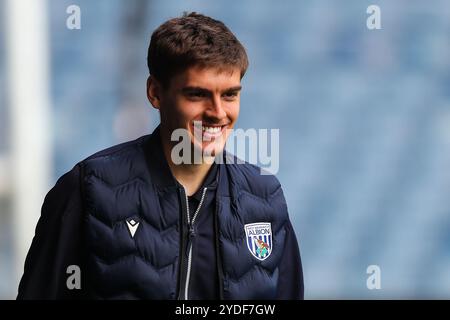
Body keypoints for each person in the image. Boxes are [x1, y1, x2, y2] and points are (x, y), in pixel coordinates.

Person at [17, 12, 304, 300]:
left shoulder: (265, 198)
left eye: (229, 95)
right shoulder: (89, 188)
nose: (218, 112)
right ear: (155, 92)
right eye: (197, 94)